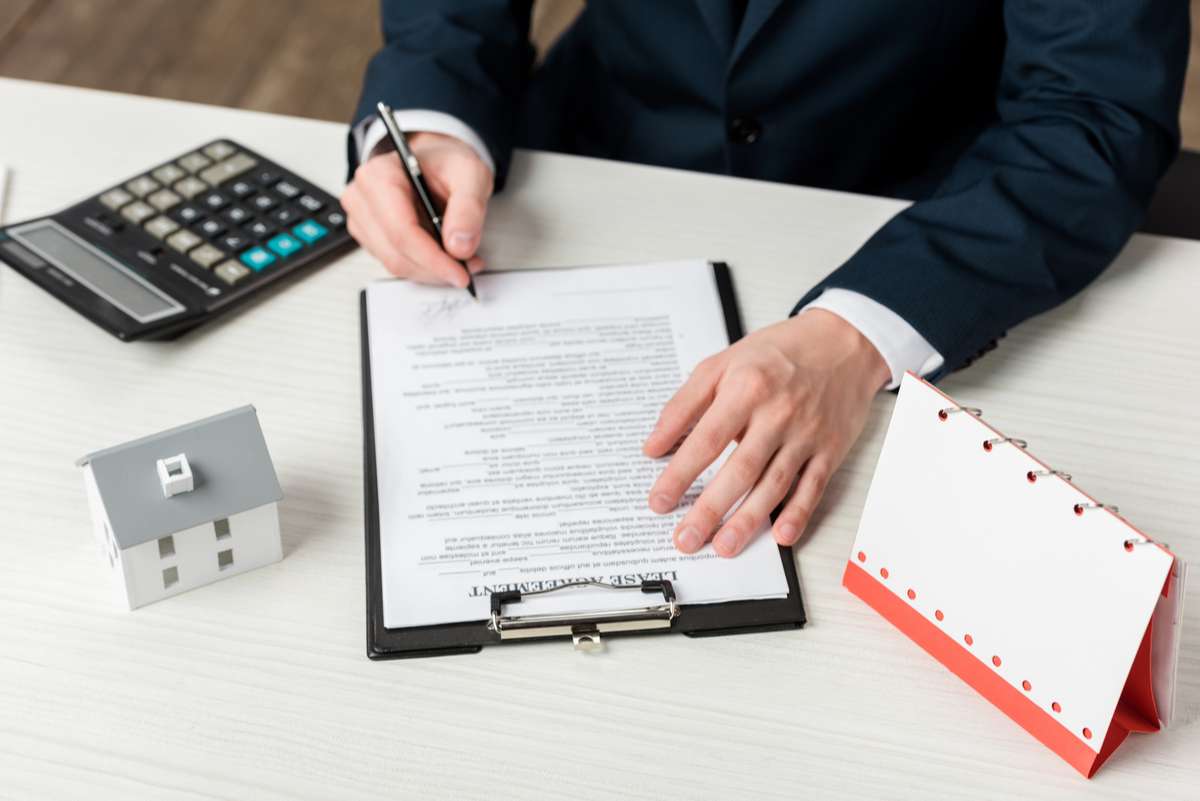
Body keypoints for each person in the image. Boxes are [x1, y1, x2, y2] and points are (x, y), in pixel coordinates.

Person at [341, 1, 1188, 559]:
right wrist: (426, 119)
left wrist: (858, 337)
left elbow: (1093, 108)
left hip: (923, 210)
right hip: (594, 163)